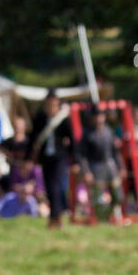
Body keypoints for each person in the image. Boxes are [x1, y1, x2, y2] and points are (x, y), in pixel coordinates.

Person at [29, 90, 76, 228]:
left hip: (59, 157)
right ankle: (55, 217)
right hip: (45, 158)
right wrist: (28, 158)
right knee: (49, 188)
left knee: (56, 187)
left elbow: (72, 140)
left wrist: (75, 160)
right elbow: (33, 138)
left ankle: (55, 217)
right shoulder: (41, 119)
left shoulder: (63, 119)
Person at [78, 108, 124, 223]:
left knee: (118, 196)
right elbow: (82, 155)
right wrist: (86, 171)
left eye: (101, 116)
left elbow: (115, 152)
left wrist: (121, 166)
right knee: (98, 198)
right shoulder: (87, 133)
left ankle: (107, 215)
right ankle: (102, 219)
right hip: (96, 167)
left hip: (110, 166)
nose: (99, 119)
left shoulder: (109, 131)